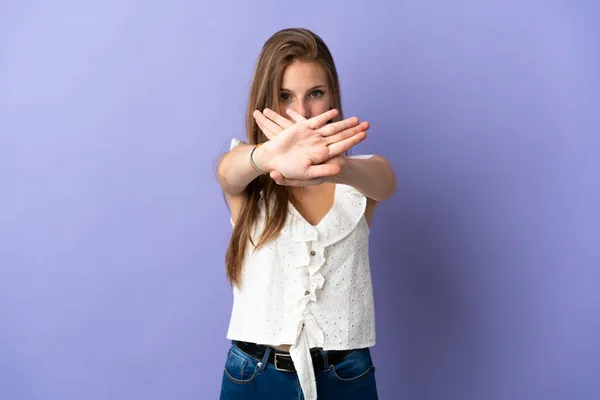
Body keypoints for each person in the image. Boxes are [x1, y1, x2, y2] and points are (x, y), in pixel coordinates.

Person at [216, 27, 396, 400]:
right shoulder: (248, 172)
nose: (301, 112)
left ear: (333, 96)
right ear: (267, 99)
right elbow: (226, 172)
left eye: (315, 93)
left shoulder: (362, 174)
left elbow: (385, 184)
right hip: (255, 376)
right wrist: (269, 155)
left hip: (345, 376)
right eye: (285, 97)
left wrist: (332, 164)